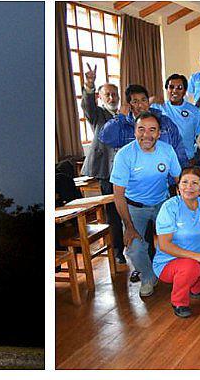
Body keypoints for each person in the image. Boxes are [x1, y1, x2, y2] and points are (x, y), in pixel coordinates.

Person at [110, 112, 183, 300]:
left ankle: (176, 272)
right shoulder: (124, 155)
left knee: (180, 236)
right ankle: (148, 277)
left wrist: (185, 209)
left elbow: (179, 180)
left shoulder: (167, 151)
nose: (146, 135)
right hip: (134, 207)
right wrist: (129, 227)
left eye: (152, 130)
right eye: (141, 129)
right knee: (134, 246)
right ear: (134, 131)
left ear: (159, 133)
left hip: (162, 203)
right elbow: (118, 195)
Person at [154, 167, 200, 317]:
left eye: (194, 183)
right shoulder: (170, 207)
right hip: (169, 262)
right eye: (184, 182)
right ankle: (179, 302)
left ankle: (194, 287)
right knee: (190, 267)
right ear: (178, 187)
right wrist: (195, 256)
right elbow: (164, 245)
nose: (189, 187)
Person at [80, 63, 125, 265]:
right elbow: (87, 106)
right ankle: (117, 251)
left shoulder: (126, 115)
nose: (112, 98)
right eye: (107, 95)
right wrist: (90, 84)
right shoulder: (97, 114)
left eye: (114, 94)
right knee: (113, 213)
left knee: (131, 212)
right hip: (107, 172)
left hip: (128, 172)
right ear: (100, 97)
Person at [156, 74, 200, 165]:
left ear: (185, 91)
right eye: (171, 87)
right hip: (164, 160)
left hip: (187, 160)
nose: (175, 91)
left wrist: (196, 158)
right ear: (167, 89)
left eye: (179, 88)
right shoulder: (158, 108)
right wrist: (152, 99)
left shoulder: (194, 111)